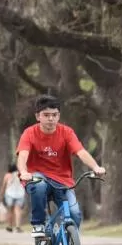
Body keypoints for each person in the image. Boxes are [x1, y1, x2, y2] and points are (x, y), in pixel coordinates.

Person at [16, 94, 106, 237]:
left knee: (75, 214)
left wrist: (95, 167)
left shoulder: (66, 132)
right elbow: (23, 155)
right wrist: (24, 171)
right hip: (37, 176)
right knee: (39, 185)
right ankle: (38, 224)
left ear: (59, 116)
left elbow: (81, 152)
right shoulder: (29, 133)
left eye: (54, 115)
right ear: (37, 116)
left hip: (62, 180)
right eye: (46, 115)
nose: (51, 119)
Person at [0, 162, 25, 232]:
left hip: (10, 194)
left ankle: (10, 226)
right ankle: (18, 226)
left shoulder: (7, 175)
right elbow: (24, 184)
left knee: (10, 210)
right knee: (18, 211)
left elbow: (4, 186)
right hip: (20, 194)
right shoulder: (20, 175)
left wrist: (1, 194)